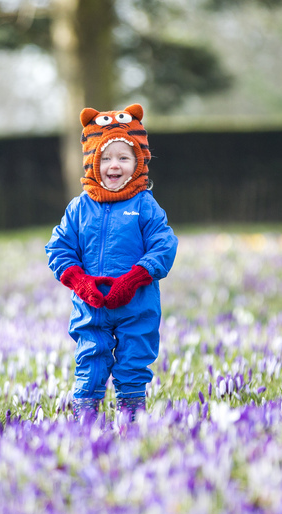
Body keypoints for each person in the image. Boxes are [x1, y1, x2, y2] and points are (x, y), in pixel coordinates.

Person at [45, 104, 178, 422]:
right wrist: (79, 281)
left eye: (123, 158)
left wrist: (135, 278)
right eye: (105, 158)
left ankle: (131, 411)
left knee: (135, 357)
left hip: (137, 303)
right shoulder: (79, 208)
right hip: (91, 305)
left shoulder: (145, 205)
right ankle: (86, 414)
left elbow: (164, 245)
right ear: (92, 162)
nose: (114, 165)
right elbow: (59, 248)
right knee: (90, 356)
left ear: (138, 162)